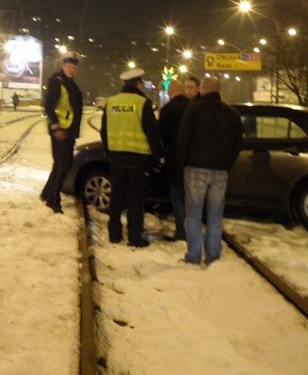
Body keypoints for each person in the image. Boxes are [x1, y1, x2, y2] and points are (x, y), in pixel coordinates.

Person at [176, 76, 243, 265]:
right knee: (215, 215)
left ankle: (194, 255)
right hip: (220, 171)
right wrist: (226, 165)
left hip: (195, 169)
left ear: (203, 89)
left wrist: (181, 164)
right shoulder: (232, 113)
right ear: (218, 90)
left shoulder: (193, 110)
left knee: (194, 214)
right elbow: (238, 144)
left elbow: (183, 140)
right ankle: (213, 255)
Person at [100, 68, 163, 247]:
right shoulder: (142, 103)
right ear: (138, 84)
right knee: (135, 200)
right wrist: (158, 157)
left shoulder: (111, 102)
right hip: (138, 160)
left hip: (116, 159)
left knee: (117, 197)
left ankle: (114, 234)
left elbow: (104, 131)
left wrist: (108, 152)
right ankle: (134, 237)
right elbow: (152, 133)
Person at [40, 55, 83, 214]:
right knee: (61, 164)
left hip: (69, 130)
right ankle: (53, 199)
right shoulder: (57, 82)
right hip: (60, 130)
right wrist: (56, 127)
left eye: (74, 67)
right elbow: (49, 106)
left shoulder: (71, 84)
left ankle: (47, 192)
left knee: (65, 164)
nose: (71, 69)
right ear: (63, 66)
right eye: (69, 66)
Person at [158, 79, 191, 241]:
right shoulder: (193, 107)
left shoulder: (166, 110)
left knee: (177, 197)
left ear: (171, 93)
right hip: (192, 160)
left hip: (173, 161)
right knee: (191, 197)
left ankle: (181, 231)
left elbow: (161, 136)